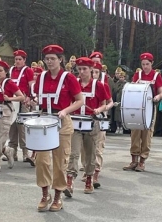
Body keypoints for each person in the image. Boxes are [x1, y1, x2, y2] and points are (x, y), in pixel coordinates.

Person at [33, 44, 83, 212]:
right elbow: (37, 98)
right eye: (47, 59)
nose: (49, 62)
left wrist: (65, 110)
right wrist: (31, 101)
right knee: (41, 160)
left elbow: (80, 100)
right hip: (44, 120)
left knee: (60, 161)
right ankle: (44, 193)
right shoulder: (41, 77)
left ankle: (57, 196)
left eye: (53, 59)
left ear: (60, 60)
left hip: (62, 122)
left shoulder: (69, 78)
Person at [64, 57, 107, 198]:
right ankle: (69, 181)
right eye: (79, 69)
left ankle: (89, 178)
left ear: (90, 69)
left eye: (85, 69)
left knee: (90, 153)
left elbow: (104, 103)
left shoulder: (98, 85)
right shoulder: (73, 83)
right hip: (75, 122)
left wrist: (99, 110)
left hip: (91, 123)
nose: (81, 72)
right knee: (73, 152)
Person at [123, 52, 162, 172]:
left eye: (147, 64)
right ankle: (133, 160)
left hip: (150, 109)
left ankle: (142, 161)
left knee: (147, 135)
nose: (145, 66)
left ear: (152, 63)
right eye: (143, 64)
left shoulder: (156, 76)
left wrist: (157, 97)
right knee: (135, 133)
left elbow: (161, 93)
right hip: (137, 108)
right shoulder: (138, 74)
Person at [0, 60, 25, 172]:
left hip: (5, 109)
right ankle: (7, 150)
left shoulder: (9, 83)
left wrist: (10, 98)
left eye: (0, 71)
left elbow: (21, 97)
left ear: (5, 72)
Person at [3, 50, 34, 162]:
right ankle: (12, 151)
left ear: (24, 60)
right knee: (12, 125)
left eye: (20, 59)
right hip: (12, 100)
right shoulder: (11, 70)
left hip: (23, 100)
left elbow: (31, 85)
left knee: (22, 126)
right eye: (16, 59)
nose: (18, 61)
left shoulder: (28, 71)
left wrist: (30, 98)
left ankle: (25, 153)